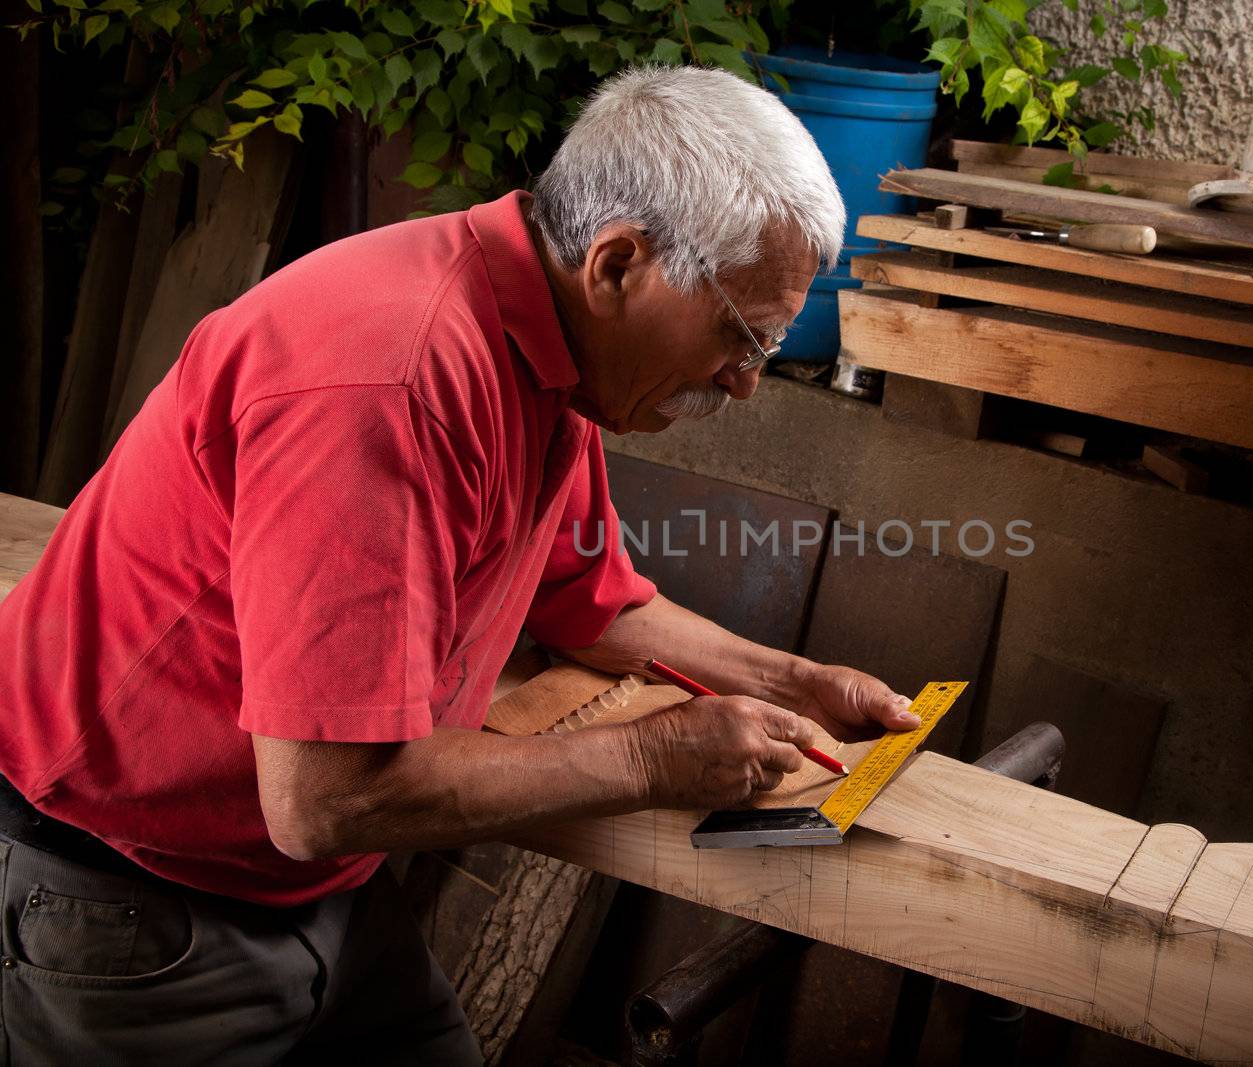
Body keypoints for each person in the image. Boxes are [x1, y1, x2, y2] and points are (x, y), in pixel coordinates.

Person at [0, 65, 917, 1063]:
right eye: (742, 336)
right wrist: (657, 757)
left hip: (321, 884)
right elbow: (323, 798)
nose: (746, 383)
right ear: (616, 264)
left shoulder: (548, 348)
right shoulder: (389, 380)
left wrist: (792, 679)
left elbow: (590, 605)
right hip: (130, 894)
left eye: (773, 344)